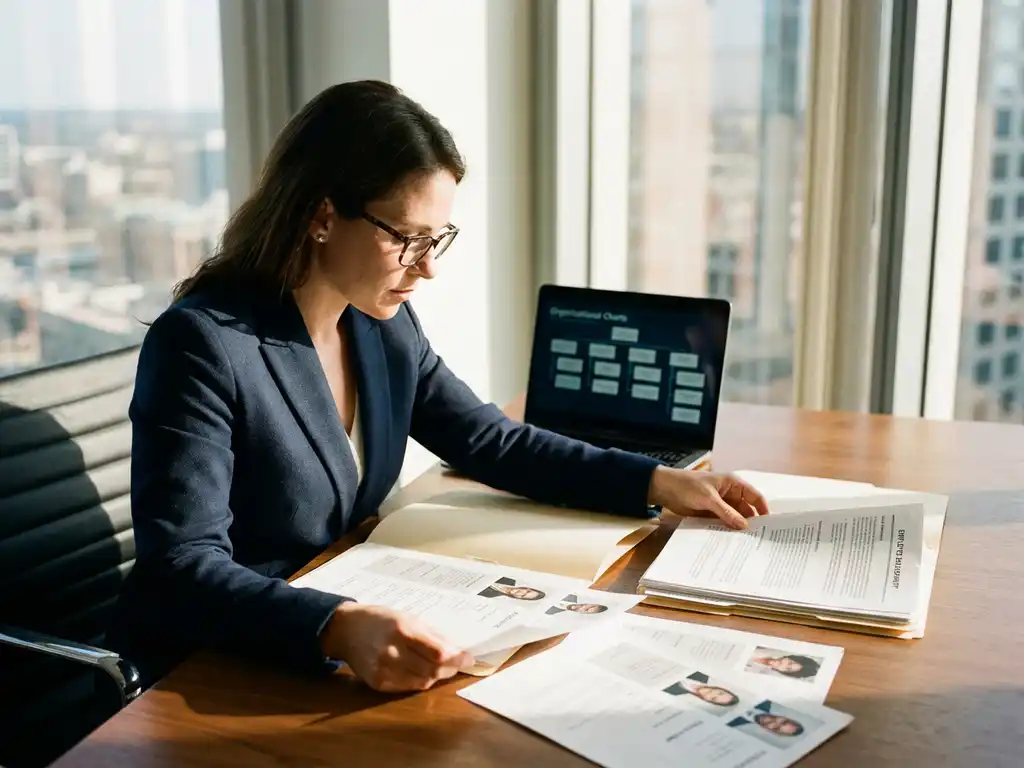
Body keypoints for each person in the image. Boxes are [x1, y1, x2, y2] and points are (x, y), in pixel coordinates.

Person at [105, 80, 770, 695]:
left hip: (337, 634)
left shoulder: (379, 325)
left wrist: (657, 482)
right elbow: (182, 567)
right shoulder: (204, 344)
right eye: (408, 239)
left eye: (437, 239)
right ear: (321, 216)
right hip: (210, 667)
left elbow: (489, 441)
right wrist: (334, 624)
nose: (427, 269)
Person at [748, 652, 820, 680]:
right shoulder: (770, 651)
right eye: (790, 662)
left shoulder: (760, 672)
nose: (783, 665)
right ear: (790, 658)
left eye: (788, 669)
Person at [478, 577, 545, 601]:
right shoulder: (509, 579)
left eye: (523, 596)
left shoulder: (490, 595)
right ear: (527, 588)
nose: (520, 593)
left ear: (519, 598)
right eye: (527, 592)